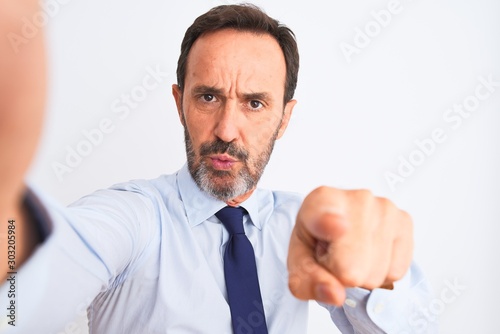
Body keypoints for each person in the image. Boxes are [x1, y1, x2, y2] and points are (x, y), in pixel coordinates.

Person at [0, 2, 436, 333]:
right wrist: (12, 224)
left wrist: (371, 273)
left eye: (254, 103)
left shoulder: (305, 228)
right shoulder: (132, 218)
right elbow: (20, 301)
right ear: (179, 103)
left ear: (284, 118)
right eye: (208, 97)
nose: (227, 130)